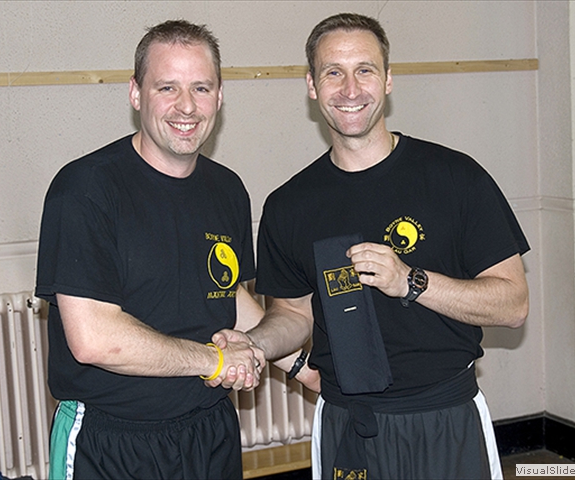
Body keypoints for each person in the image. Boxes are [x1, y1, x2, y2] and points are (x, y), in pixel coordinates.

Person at [215, 12, 530, 480]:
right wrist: (253, 344)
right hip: (347, 422)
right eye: (333, 73)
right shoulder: (288, 204)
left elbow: (513, 304)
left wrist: (411, 282)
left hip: (446, 417)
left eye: (364, 70)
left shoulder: (455, 177)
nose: (350, 88)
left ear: (387, 81)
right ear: (312, 86)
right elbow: (295, 316)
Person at [35, 19, 298, 480]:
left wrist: (307, 367)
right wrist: (217, 360)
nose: (187, 107)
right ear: (136, 93)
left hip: (209, 431)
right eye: (167, 87)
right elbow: (95, 339)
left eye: (201, 87)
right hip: (110, 442)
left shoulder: (227, 189)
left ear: (220, 96)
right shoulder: (85, 189)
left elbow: (225, 294)